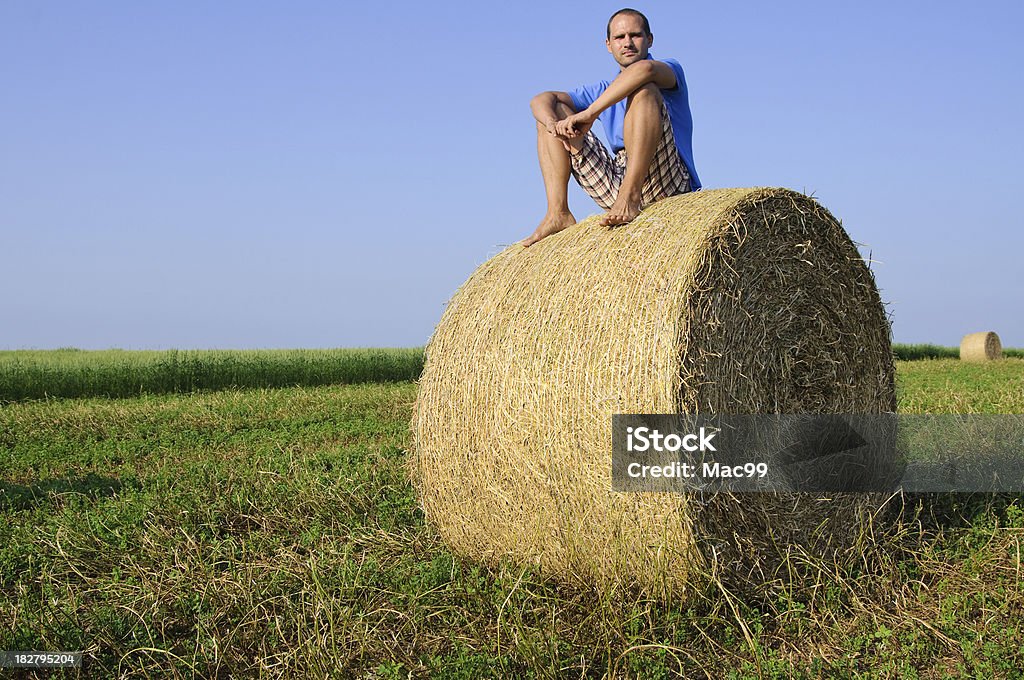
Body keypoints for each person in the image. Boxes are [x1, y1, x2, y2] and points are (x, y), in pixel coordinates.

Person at [523, 8, 701, 247]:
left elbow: (644, 71)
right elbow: (540, 99)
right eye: (619, 37)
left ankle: (631, 195)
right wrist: (553, 125)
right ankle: (558, 212)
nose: (627, 42)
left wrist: (590, 113)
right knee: (548, 113)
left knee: (644, 89)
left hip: (668, 179)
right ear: (608, 44)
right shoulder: (603, 89)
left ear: (649, 39)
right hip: (618, 174)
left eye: (635, 35)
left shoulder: (669, 69)